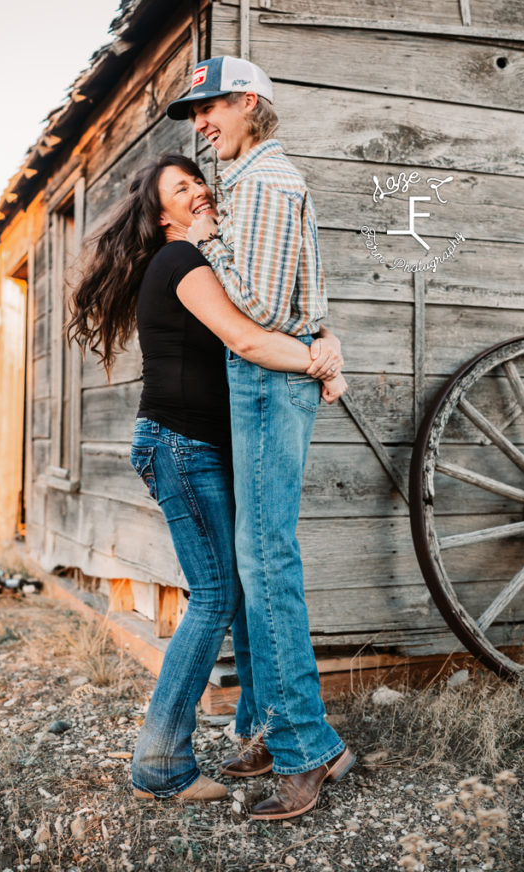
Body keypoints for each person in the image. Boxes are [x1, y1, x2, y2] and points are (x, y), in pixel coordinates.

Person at [67, 153, 345, 804]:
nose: (197, 192)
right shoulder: (179, 263)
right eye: (180, 188)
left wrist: (321, 335)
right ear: (161, 215)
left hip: (193, 447)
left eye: (198, 181)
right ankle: (160, 765)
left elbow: (264, 315)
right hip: (179, 447)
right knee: (216, 597)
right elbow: (246, 340)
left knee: (242, 590)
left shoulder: (209, 264)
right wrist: (319, 361)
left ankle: (262, 733)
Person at [166, 55, 355, 820]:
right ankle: (279, 732)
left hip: (271, 382)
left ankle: (311, 748)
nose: (202, 125)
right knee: (256, 559)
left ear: (249, 101)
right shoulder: (248, 182)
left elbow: (262, 307)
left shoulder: (268, 184)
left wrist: (202, 237)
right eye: (195, 115)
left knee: (267, 559)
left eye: (210, 108)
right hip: (263, 382)